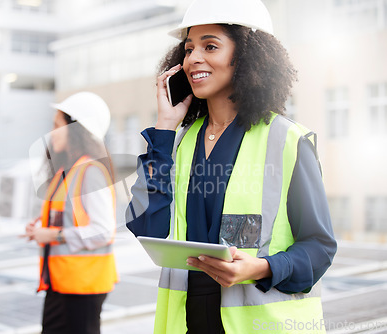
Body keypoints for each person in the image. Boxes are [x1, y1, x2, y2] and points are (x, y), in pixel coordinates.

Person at [125, 0, 337, 333]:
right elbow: (145, 226)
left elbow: (319, 247)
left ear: (247, 56)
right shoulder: (178, 142)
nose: (194, 58)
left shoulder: (287, 141)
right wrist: (164, 129)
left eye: (211, 46)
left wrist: (262, 267)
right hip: (187, 322)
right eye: (189, 48)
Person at [24, 92, 118, 334]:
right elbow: (65, 217)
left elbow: (104, 231)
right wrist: (39, 229)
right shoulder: (67, 171)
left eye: (57, 126)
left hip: (82, 287)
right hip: (63, 283)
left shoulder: (90, 171)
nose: (51, 133)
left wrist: (53, 235)